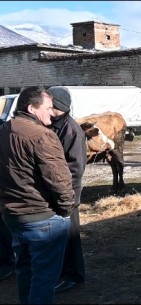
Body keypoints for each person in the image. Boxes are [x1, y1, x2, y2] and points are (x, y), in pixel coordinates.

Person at [0, 86, 75, 304]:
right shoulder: (42, 135)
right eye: (49, 108)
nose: (52, 113)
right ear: (32, 108)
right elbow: (59, 179)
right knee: (44, 279)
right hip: (42, 218)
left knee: (26, 273)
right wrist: (66, 209)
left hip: (13, 217)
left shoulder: (5, 129)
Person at [47, 87, 87, 294]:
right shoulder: (52, 125)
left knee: (70, 235)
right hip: (56, 192)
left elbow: (76, 168)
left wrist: (63, 194)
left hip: (67, 194)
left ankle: (74, 275)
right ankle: (63, 272)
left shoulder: (71, 131)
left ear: (58, 106)